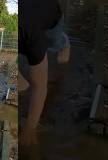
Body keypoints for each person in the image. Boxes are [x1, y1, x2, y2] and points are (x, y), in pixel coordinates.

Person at [20, 0, 71, 145]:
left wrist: (30, 129)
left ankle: (66, 43)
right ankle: (22, 83)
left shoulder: (32, 35)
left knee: (54, 44)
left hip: (51, 16)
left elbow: (40, 87)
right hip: (29, 16)